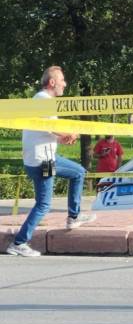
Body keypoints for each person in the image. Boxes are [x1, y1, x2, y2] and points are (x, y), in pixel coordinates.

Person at [6, 66, 96, 257]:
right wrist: (68, 134)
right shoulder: (43, 101)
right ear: (52, 82)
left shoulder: (40, 101)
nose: (65, 84)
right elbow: (49, 126)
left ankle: (74, 216)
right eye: (62, 80)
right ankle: (19, 242)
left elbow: (45, 130)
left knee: (78, 172)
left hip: (41, 159)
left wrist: (61, 138)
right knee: (44, 204)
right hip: (44, 162)